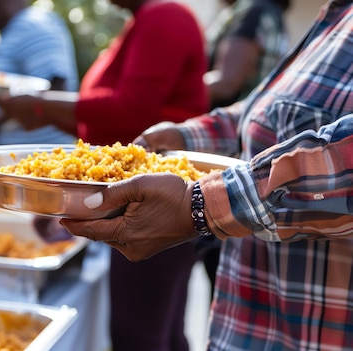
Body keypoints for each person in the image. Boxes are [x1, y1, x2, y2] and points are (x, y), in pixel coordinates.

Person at [60, 1, 353, 349]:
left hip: (314, 336)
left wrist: (198, 206)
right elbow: (271, 113)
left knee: (141, 334)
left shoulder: (175, 16)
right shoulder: (337, 16)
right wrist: (185, 137)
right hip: (251, 327)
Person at [0, 1, 208, 350]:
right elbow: (107, 119)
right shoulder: (143, 20)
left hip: (158, 201)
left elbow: (131, 113)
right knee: (162, 333)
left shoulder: (164, 15)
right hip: (143, 199)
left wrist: (40, 106)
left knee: (138, 336)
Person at [198, 0, 290, 300]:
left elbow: (226, 83)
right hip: (255, 166)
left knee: (225, 282)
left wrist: (172, 88)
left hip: (230, 160)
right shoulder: (273, 17)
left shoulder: (252, 12)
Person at [0, 0, 79, 145]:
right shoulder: (15, 30)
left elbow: (57, 85)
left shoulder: (34, 25)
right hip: (17, 152)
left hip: (38, 154)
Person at [205, 0, 290, 108]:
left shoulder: (254, 11)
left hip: (229, 116)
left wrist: (182, 87)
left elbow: (226, 84)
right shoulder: (271, 12)